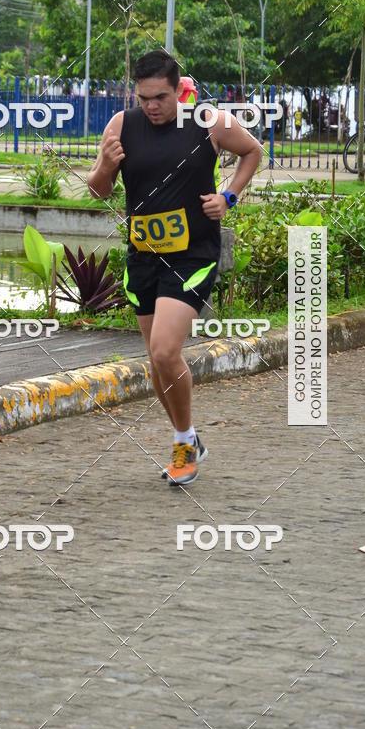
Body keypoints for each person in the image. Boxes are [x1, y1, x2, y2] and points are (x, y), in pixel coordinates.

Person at [87, 51, 262, 486]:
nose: (152, 106)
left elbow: (253, 152)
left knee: (166, 350)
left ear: (177, 88)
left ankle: (184, 443)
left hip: (193, 253)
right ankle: (189, 438)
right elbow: (98, 190)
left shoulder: (208, 122)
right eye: (143, 98)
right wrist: (107, 165)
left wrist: (229, 196)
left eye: (160, 97)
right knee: (156, 362)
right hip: (143, 256)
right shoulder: (120, 126)